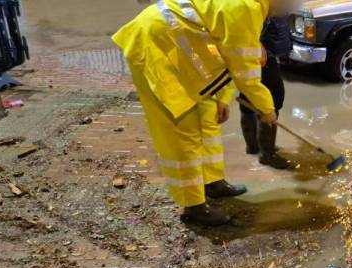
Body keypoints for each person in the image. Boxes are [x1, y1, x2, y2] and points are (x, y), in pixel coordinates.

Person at [112, 0, 295, 226]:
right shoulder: (247, 8)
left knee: (209, 117)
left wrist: (222, 97)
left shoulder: (254, 8)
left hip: (185, 48)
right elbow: (245, 72)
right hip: (157, 46)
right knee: (184, 132)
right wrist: (267, 109)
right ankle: (194, 206)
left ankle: (213, 183)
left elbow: (225, 53)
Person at [239, 16, 293, 170]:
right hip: (263, 54)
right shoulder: (260, 9)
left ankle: (253, 145)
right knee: (273, 97)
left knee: (249, 92)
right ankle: (267, 154)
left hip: (254, 51)